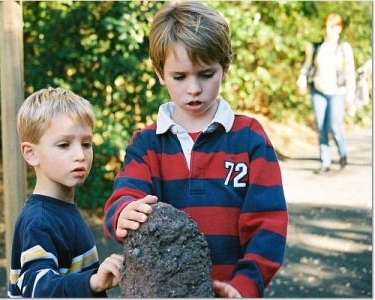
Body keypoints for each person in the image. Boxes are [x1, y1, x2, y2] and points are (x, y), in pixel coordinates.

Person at [103, 2, 288, 298]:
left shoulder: (249, 138)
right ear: (160, 73)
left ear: (225, 68)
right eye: (180, 77)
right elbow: (125, 194)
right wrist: (123, 211)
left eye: (205, 74)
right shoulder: (147, 143)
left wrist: (245, 285)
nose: (193, 88)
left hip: (231, 290)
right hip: (162, 292)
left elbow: (269, 224)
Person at [8, 87, 123, 297]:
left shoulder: (62, 210)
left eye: (86, 144)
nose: (80, 155)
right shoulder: (39, 220)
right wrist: (93, 281)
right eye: (64, 145)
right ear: (31, 153)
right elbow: (39, 290)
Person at [297, 13, 356, 174]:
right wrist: (301, 79)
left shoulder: (344, 48)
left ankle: (342, 153)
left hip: (337, 91)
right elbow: (307, 66)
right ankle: (325, 161)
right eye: (325, 26)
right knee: (321, 126)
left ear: (339, 28)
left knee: (335, 126)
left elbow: (350, 73)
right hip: (318, 90)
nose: (327, 30)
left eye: (331, 26)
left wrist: (350, 96)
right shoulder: (316, 47)